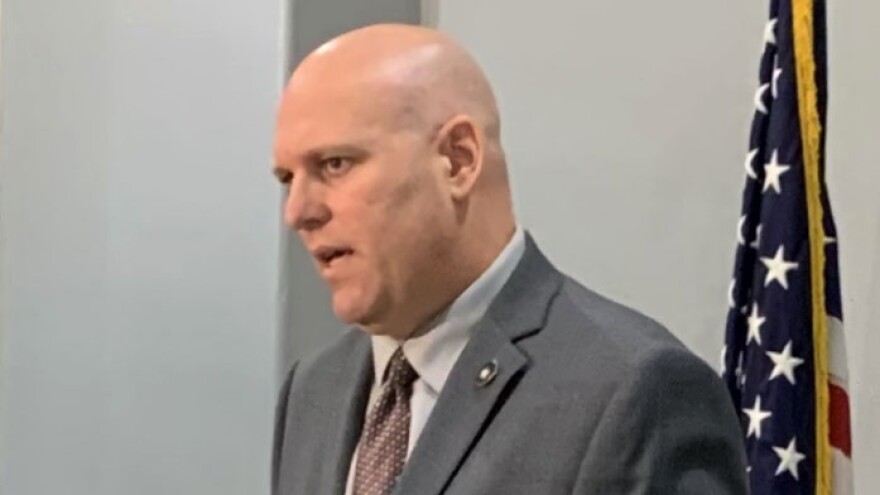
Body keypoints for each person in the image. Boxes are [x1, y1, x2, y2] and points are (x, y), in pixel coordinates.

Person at [270, 23, 748, 495]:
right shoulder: (313, 391)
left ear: (458, 160)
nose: (298, 212)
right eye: (288, 178)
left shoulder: (635, 391)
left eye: (335, 164)